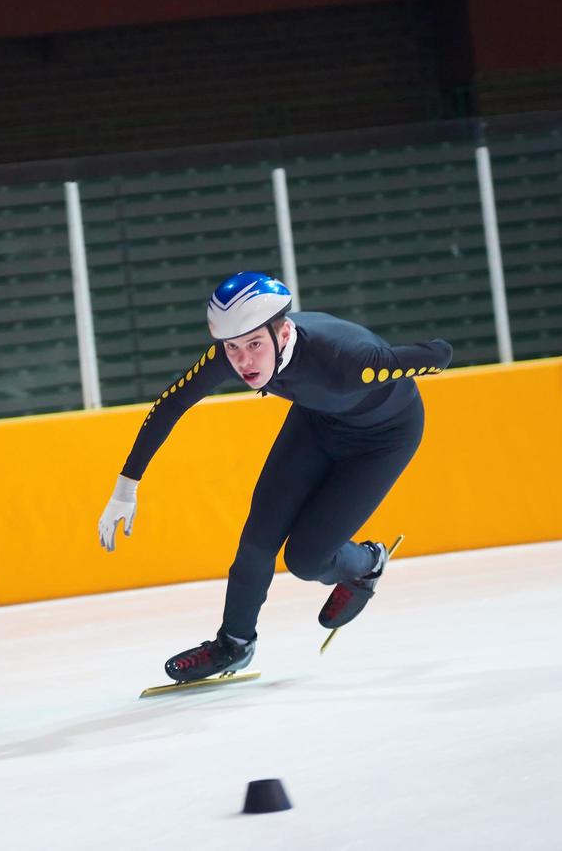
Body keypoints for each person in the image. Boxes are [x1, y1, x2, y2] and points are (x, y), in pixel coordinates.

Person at [97, 271, 453, 683]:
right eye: (232, 348)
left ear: (283, 333)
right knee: (257, 540)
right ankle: (234, 643)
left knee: (306, 560)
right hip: (318, 423)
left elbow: (438, 353)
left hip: (382, 441)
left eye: (253, 345)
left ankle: (367, 563)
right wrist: (126, 487)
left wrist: (400, 364)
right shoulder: (234, 355)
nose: (244, 361)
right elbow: (170, 405)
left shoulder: (348, 363)